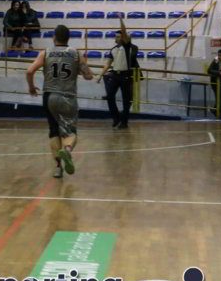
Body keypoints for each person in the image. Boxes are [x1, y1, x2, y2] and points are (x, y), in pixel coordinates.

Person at [27, 24, 94, 179]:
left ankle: (58, 167)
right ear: (68, 38)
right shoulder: (76, 54)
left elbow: (30, 71)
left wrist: (31, 88)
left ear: (54, 37)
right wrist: (83, 65)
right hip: (68, 96)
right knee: (70, 131)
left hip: (49, 96)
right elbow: (89, 76)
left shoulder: (46, 53)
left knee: (53, 131)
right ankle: (68, 150)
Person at [98, 23, 139, 129]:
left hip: (126, 76)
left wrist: (121, 21)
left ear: (124, 38)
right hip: (115, 75)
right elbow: (107, 63)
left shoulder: (129, 47)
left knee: (126, 100)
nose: (116, 38)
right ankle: (116, 118)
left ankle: (124, 122)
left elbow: (125, 34)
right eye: (115, 36)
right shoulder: (113, 49)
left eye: (118, 36)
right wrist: (100, 75)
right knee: (110, 96)